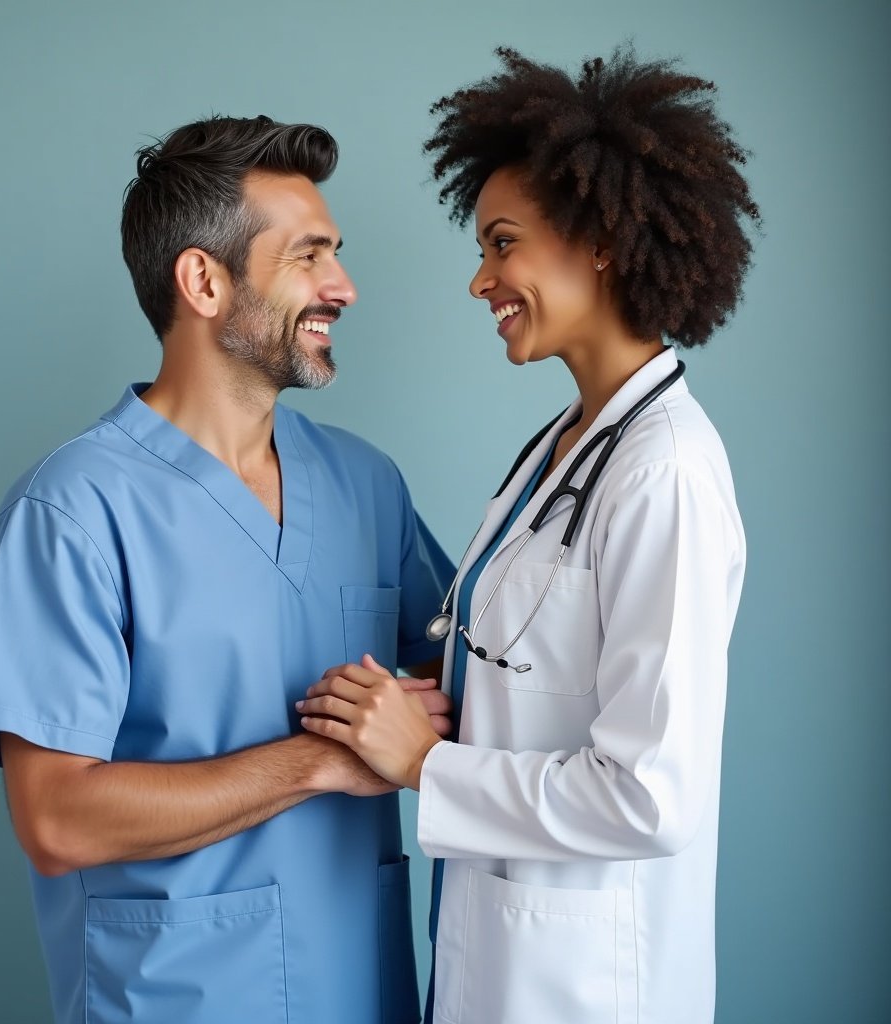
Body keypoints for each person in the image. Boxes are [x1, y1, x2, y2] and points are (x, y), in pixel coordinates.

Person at [0, 114, 454, 1024]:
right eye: (308, 257)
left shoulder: (364, 485)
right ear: (204, 280)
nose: (344, 286)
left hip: (363, 992)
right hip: (180, 999)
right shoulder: (72, 513)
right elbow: (57, 821)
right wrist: (316, 763)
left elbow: (471, 678)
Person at [297, 47, 759, 1024]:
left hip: (591, 984)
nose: (480, 280)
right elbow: (526, 679)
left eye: (501, 243)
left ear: (594, 239)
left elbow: (649, 796)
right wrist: (435, 711)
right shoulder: (566, 442)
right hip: (505, 953)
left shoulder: (662, 471)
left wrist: (424, 767)